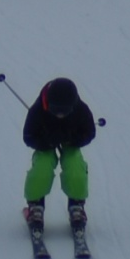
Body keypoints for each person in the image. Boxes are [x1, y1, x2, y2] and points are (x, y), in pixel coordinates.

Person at [22, 77, 95, 242]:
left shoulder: (81, 109)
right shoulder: (38, 110)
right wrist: (46, 142)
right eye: (55, 110)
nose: (60, 115)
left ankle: (76, 204)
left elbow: (90, 132)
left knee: (74, 164)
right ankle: (35, 205)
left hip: (70, 142)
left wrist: (73, 139)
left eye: (65, 111)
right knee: (42, 165)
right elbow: (28, 136)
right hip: (45, 143)